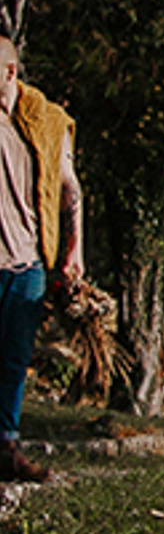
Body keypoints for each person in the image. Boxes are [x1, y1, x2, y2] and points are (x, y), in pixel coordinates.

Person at [0, 36, 82, 484]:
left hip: (27, 262)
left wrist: (74, 252)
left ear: (10, 72)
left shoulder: (46, 121)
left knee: (14, 359)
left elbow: (70, 190)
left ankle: (6, 447)